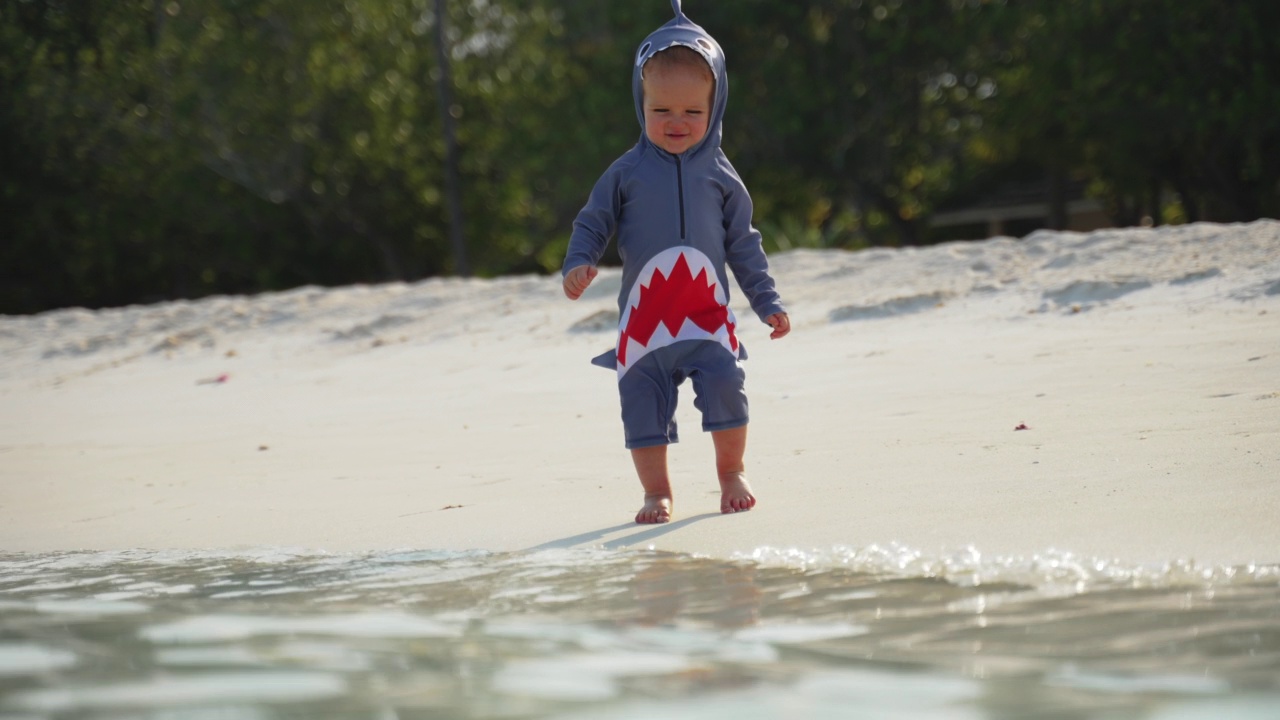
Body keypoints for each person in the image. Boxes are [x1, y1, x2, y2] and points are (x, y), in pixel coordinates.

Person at [562, 0, 789, 525]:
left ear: (717, 106)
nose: (677, 122)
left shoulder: (723, 176)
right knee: (640, 400)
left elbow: (744, 245)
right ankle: (656, 492)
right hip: (645, 326)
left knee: (728, 384)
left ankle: (731, 473)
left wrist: (766, 302)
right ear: (640, 105)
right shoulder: (626, 172)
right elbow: (592, 221)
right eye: (661, 110)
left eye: (693, 111)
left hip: (708, 317)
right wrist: (579, 262)